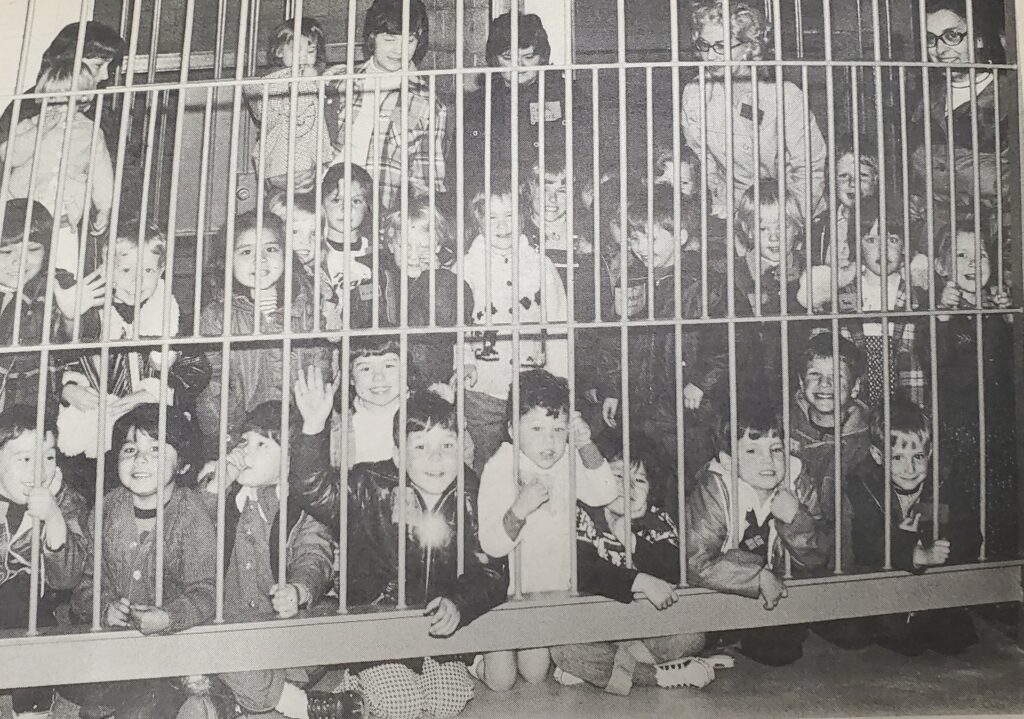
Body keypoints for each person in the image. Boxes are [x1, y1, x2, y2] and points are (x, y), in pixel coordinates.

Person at [291, 373, 507, 719]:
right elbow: (313, 490)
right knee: (401, 704)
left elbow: (492, 569)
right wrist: (314, 428)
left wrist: (459, 602)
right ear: (397, 454)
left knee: (447, 701)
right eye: (420, 447)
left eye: (447, 446)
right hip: (377, 622)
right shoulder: (369, 483)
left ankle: (398, 681)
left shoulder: (468, 492)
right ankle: (351, 690)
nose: (436, 458)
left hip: (436, 625)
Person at [184, 400, 362, 719]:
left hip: (284, 627)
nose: (246, 452)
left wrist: (300, 589)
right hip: (230, 625)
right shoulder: (220, 499)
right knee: (205, 640)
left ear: (290, 461)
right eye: (244, 442)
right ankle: (294, 702)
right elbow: (188, 535)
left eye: (262, 444)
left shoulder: (302, 506)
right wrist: (215, 487)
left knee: (329, 627)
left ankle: (236, 697)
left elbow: (313, 553)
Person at [52, 406, 215, 719]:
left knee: (151, 703)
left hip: (175, 639)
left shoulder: (192, 514)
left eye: (155, 449)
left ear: (183, 464)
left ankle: (193, 696)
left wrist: (169, 617)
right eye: (130, 449)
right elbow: (86, 583)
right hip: (118, 641)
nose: (140, 459)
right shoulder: (107, 507)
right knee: (75, 680)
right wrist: (104, 607)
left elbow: (206, 591)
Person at [590, 183, 749, 487]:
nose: (642, 247)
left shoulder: (705, 284)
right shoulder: (632, 280)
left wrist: (702, 381)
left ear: (681, 237)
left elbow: (732, 340)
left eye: (652, 238)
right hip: (640, 408)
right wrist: (612, 388)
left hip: (688, 412)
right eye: (635, 238)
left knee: (687, 478)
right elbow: (614, 340)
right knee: (648, 479)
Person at [474, 369, 616, 692]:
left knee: (536, 672)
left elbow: (605, 492)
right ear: (512, 428)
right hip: (505, 596)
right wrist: (519, 510)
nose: (549, 440)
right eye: (536, 428)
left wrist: (585, 444)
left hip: (549, 594)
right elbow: (493, 545)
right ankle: (477, 660)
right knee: (500, 680)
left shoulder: (566, 457)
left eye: (558, 428)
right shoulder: (500, 466)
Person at [549, 432, 718, 695]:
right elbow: (581, 570)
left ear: (652, 489)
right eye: (617, 476)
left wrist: (632, 541)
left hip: (644, 627)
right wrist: (639, 580)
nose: (628, 487)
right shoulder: (584, 514)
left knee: (692, 636)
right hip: (595, 626)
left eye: (639, 480)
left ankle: (604, 670)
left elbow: (676, 565)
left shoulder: (655, 519)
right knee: (563, 649)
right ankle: (659, 676)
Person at [686, 399, 828, 666]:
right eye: (752, 451)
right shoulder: (714, 488)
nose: (768, 461)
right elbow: (694, 561)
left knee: (780, 651)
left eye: (776, 449)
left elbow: (818, 558)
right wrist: (756, 576)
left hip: (774, 592)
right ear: (728, 461)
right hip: (721, 590)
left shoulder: (798, 482)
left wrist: (795, 520)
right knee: (693, 635)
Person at [58, 220, 211, 459]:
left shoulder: (172, 315)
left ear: (161, 271)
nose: (137, 281)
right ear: (106, 269)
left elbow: (196, 368)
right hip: (94, 424)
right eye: (126, 270)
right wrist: (67, 389)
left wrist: (153, 393)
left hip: (151, 427)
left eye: (148, 271)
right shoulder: (91, 312)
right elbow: (63, 352)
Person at [846, 396, 980, 655]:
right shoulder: (863, 485)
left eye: (918, 456)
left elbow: (971, 532)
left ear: (929, 453)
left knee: (953, 639)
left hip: (936, 584)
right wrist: (911, 550)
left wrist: (941, 547)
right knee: (879, 634)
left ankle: (928, 617)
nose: (910, 468)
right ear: (877, 455)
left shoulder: (942, 483)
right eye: (897, 457)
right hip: (886, 582)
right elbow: (866, 543)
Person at [196, 211, 331, 457]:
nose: (260, 261)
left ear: (285, 255)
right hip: (243, 439)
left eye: (270, 249)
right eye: (246, 252)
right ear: (227, 260)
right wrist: (234, 438)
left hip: (299, 434)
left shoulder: (306, 309)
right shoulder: (216, 317)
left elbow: (319, 369)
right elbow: (212, 386)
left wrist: (307, 427)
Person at [682, 0, 827, 222]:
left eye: (721, 46)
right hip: (739, 213)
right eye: (704, 45)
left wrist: (789, 220)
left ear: (749, 46)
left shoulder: (785, 95)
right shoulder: (695, 94)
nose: (710, 57)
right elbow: (706, 163)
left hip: (795, 210)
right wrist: (726, 208)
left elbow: (809, 168)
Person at [462, 173, 568, 475]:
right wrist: (464, 360)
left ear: (523, 216)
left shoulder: (540, 266)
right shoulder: (467, 268)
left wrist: (561, 382)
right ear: (478, 220)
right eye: (492, 217)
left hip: (531, 386)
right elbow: (456, 325)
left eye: (510, 215)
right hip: (484, 386)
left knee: (532, 461)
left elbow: (559, 326)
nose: (502, 225)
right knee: (489, 462)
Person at [933, 223, 1017, 559]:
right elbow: (931, 363)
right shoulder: (936, 312)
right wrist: (941, 316)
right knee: (964, 512)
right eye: (960, 255)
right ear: (941, 267)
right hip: (958, 433)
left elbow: (1012, 369)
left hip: (1000, 430)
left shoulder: (999, 308)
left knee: (1002, 509)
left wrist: (1010, 320)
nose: (972, 263)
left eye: (980, 254)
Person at [0, 405, 88, 714]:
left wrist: (54, 518)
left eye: (49, 458)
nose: (39, 471)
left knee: (30, 618)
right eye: (24, 459)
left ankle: (32, 707)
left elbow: (68, 578)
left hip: (36, 617)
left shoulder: (67, 499)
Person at [324, 0, 447, 212]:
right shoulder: (339, 82)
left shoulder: (426, 101)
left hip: (379, 214)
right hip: (325, 205)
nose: (399, 50)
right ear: (372, 38)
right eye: (390, 39)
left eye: (408, 40)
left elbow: (426, 182)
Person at [0, 53, 114, 280]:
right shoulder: (29, 125)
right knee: (19, 271)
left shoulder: (91, 132)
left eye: (66, 100)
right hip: (24, 221)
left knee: (64, 274)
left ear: (83, 100)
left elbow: (101, 173)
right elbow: (8, 156)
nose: (58, 107)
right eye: (51, 99)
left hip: (63, 220)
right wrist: (39, 130)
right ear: (41, 98)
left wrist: (104, 207)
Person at [910, 0, 1011, 229]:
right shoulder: (926, 100)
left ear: (978, 39)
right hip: (939, 236)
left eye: (952, 36)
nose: (940, 49)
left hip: (999, 236)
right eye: (931, 39)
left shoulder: (1008, 97)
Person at [463, 12, 588, 182]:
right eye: (508, 57)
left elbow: (587, 157)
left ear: (542, 57)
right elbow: (464, 167)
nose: (518, 65)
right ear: (495, 59)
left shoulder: (568, 96)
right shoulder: (479, 103)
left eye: (528, 57)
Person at [789, 332, 871, 570]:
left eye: (836, 377)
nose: (824, 384)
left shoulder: (867, 440)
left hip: (847, 556)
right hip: (790, 554)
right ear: (802, 383)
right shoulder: (783, 428)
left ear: (855, 387)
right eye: (815, 375)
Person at [380, 197, 474, 395]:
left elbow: (452, 324)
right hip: (390, 383)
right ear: (390, 245)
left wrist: (434, 278)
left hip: (435, 381)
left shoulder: (448, 281)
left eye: (424, 248)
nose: (414, 256)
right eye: (404, 246)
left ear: (438, 247)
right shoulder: (384, 280)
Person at [0, 21, 126, 154]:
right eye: (98, 65)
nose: (105, 76)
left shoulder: (98, 104)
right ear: (69, 62)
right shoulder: (28, 105)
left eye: (109, 66)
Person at [245, 17, 332, 193]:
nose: (304, 57)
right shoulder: (273, 82)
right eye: (296, 50)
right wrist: (309, 83)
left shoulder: (315, 78)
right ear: (278, 51)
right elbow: (289, 113)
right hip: (281, 162)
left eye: (311, 50)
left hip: (311, 162)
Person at [319, 163, 382, 330]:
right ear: (321, 205)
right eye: (336, 200)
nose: (345, 208)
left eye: (356, 201)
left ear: (368, 208)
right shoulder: (314, 253)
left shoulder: (378, 252)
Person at [330, 334, 403, 469]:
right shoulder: (336, 428)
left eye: (389, 366)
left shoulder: (426, 420)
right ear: (351, 377)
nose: (378, 378)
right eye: (365, 368)